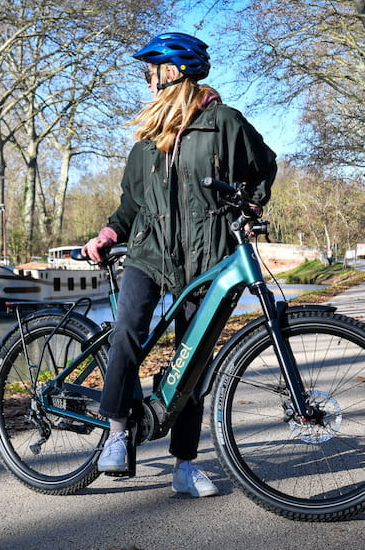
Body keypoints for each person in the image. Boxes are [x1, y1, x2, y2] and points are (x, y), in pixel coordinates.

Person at [82, 32, 277, 498]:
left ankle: (185, 465)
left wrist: (247, 210)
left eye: (151, 72)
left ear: (170, 73)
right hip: (148, 255)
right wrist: (110, 232)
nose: (147, 82)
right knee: (128, 328)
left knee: (192, 362)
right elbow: (131, 205)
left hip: (206, 257)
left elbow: (263, 167)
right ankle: (114, 432)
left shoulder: (224, 124)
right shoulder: (146, 143)